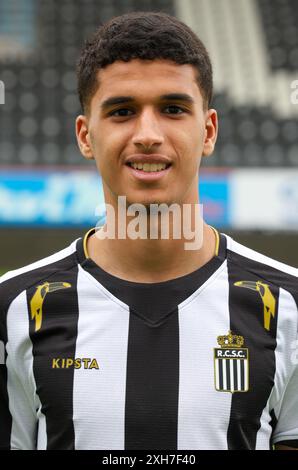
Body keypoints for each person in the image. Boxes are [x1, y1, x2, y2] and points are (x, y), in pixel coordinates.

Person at [0, 11, 297, 451]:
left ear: (209, 129)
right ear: (85, 136)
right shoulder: (13, 309)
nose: (148, 134)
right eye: (122, 111)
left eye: (173, 109)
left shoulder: (289, 307)